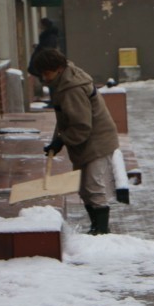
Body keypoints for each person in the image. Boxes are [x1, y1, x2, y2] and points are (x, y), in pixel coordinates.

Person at [32, 48, 120, 235]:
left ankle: (102, 231)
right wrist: (57, 140)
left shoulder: (71, 88)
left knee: (93, 186)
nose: (44, 78)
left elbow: (81, 125)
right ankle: (96, 227)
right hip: (85, 140)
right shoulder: (62, 81)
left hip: (97, 140)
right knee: (84, 188)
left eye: (46, 73)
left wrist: (61, 141)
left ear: (57, 68)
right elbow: (66, 118)